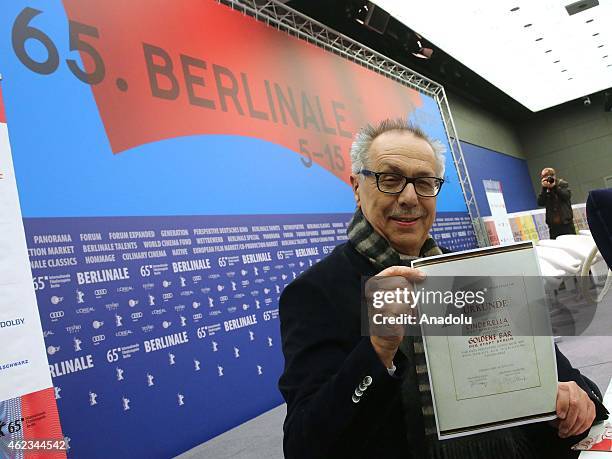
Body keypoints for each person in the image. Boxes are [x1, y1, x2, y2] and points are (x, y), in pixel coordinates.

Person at [278, 119, 608, 459]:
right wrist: (377, 350)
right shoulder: (317, 292)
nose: (409, 197)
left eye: (424, 182)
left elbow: (567, 378)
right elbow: (305, 445)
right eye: (390, 179)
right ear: (357, 187)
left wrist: (576, 398)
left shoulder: (474, 273)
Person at [537, 167, 575, 239]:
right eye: (544, 177)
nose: (548, 180)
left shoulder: (562, 184)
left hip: (566, 224)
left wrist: (554, 187)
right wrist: (544, 189)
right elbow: (540, 202)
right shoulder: (545, 189)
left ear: (554, 176)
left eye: (549, 176)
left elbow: (566, 196)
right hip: (553, 226)